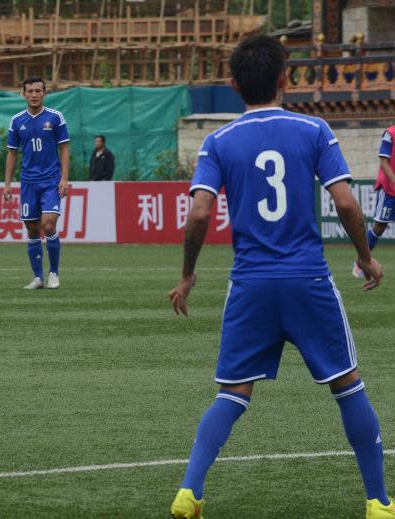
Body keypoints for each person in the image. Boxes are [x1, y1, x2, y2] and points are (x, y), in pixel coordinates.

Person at [167, 36, 393, 519]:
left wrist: (188, 275)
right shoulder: (313, 129)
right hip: (308, 280)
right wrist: (366, 258)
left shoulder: (218, 141)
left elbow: (200, 212)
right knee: (347, 385)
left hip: (250, 284)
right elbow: (347, 202)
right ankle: (379, 503)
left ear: (232, 84)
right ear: (285, 78)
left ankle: (190, 491)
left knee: (232, 392)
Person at [4, 77, 70, 290]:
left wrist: (64, 178)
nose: (34, 94)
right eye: (30, 91)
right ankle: (38, 277)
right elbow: (12, 154)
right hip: (28, 183)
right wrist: (7, 183)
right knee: (32, 230)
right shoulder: (16, 121)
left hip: (51, 180)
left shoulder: (56, 117)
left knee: (48, 224)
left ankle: (54, 273)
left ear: (44, 93)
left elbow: (65, 149)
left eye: (38, 91)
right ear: (23, 93)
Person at [352, 123, 395, 278]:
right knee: (379, 227)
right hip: (389, 190)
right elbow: (384, 162)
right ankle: (360, 263)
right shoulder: (390, 134)